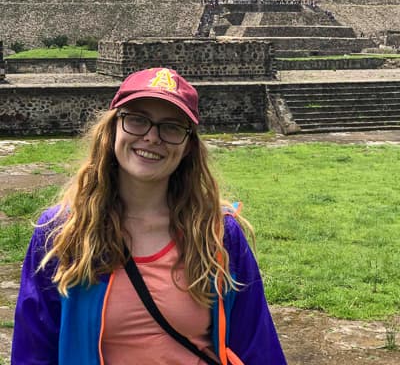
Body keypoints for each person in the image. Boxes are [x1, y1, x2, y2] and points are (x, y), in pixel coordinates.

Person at [11, 67, 287, 364]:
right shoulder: (63, 232)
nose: (152, 137)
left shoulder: (216, 232)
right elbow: (34, 351)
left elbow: (256, 344)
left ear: (188, 146)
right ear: (113, 129)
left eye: (171, 127)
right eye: (137, 120)